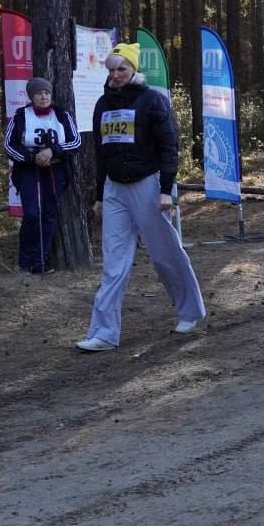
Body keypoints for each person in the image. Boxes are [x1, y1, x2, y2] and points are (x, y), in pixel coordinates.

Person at [76, 43, 206, 352]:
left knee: (164, 253)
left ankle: (190, 312)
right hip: (114, 188)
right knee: (113, 262)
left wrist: (165, 190)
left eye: (121, 69)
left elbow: (169, 147)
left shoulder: (152, 101)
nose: (115, 75)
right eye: (111, 69)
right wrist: (100, 195)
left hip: (148, 184)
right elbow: (101, 154)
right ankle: (104, 333)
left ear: (134, 69)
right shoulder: (102, 104)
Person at [4, 77, 81, 274]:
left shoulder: (62, 115)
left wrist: (53, 151)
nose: (44, 97)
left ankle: (40, 262)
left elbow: (75, 142)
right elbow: (9, 145)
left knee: (48, 215)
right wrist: (31, 157)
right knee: (31, 214)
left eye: (47, 93)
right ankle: (24, 262)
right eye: (39, 93)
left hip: (56, 171)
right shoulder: (21, 116)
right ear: (32, 96)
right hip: (29, 170)